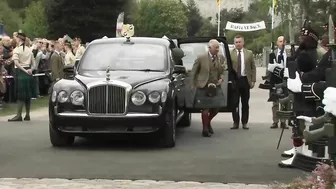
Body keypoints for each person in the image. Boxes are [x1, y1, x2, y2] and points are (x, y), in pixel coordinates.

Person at [278, 22, 322, 168]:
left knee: (302, 124)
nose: (301, 39)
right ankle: (297, 149)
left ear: (311, 38)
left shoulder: (309, 54)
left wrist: (294, 67)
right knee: (296, 122)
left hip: (305, 93)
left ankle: (300, 153)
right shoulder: (303, 53)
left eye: (304, 36)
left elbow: (300, 67)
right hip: (300, 93)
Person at [190, 39, 227, 137]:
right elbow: (193, 72)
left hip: (215, 86)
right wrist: (193, 85)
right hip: (203, 85)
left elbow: (223, 71)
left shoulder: (221, 58)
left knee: (217, 108)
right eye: (216, 47)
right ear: (209, 48)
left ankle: (208, 122)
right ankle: (205, 129)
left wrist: (221, 78)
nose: (218, 49)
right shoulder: (201, 57)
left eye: (218, 47)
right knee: (205, 109)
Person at [230, 35, 256, 130]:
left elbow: (253, 67)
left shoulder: (249, 53)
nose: (238, 44)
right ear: (234, 43)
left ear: (243, 42)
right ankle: (235, 122)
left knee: (245, 103)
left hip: (245, 80)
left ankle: (244, 122)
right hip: (235, 81)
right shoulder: (230, 53)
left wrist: (253, 80)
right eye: (236, 42)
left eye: (239, 42)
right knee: (235, 103)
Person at [8, 32, 35, 122]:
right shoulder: (29, 50)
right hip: (29, 73)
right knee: (28, 94)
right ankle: (27, 115)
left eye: (16, 38)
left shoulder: (16, 50)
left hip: (21, 73)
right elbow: (34, 64)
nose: (15, 39)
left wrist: (24, 70)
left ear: (19, 39)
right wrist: (30, 70)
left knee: (21, 95)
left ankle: (18, 115)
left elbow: (16, 63)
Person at [267, 36, 290, 129]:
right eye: (280, 41)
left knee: (285, 102)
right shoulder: (273, 54)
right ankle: (275, 121)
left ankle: (283, 122)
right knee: (275, 102)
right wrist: (268, 80)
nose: (282, 43)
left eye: (283, 41)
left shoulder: (289, 54)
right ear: (277, 43)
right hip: (275, 79)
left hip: (285, 79)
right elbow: (269, 68)